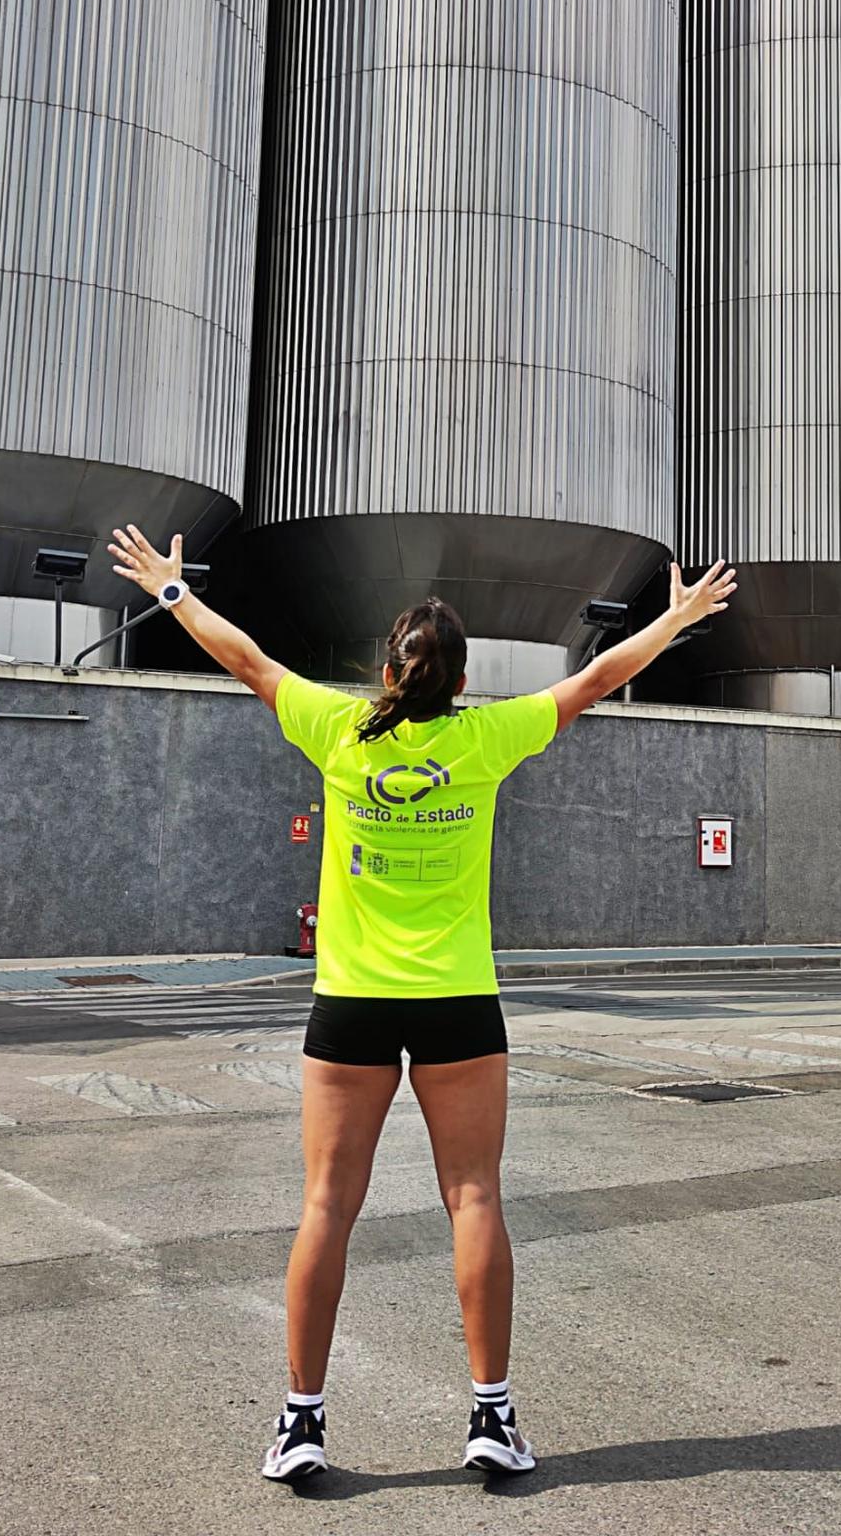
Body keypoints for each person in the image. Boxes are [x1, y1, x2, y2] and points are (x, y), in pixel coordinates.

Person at [105, 526, 737, 1485]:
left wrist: (167, 590)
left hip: (350, 1003)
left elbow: (244, 656)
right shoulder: (485, 739)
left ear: (389, 666)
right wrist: (676, 619)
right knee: (474, 1197)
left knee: (326, 1206)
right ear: (458, 676)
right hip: (456, 1004)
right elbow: (597, 678)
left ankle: (301, 1424)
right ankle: (491, 1416)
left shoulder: (334, 729)